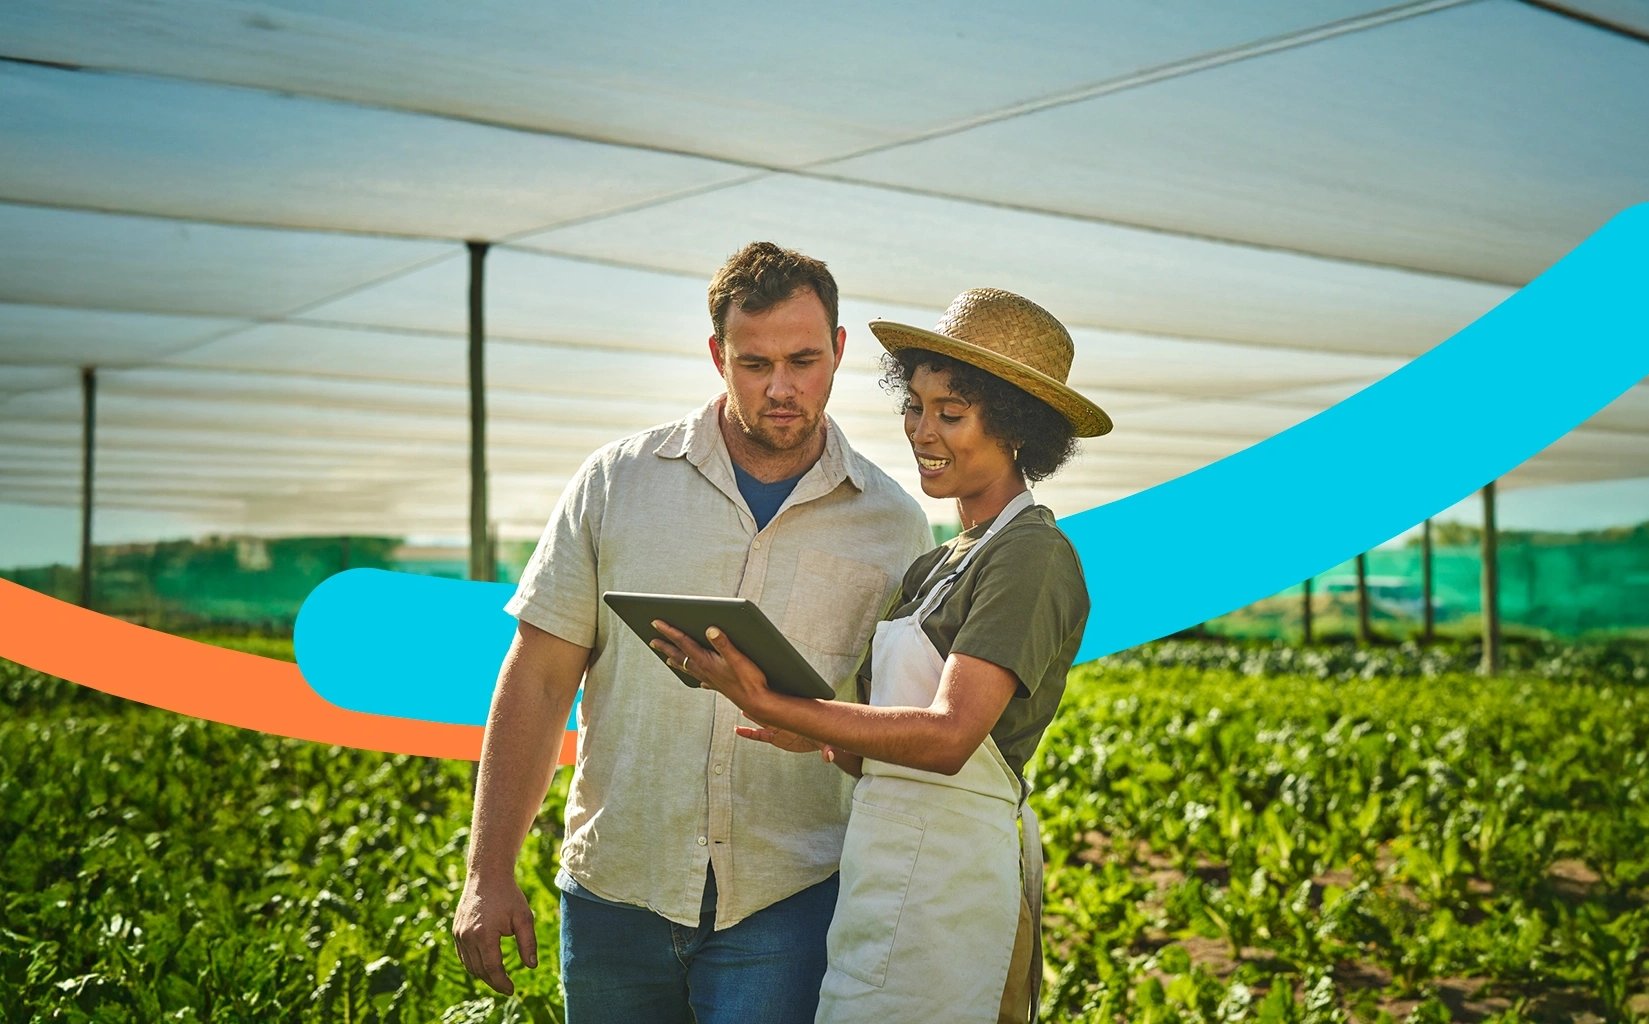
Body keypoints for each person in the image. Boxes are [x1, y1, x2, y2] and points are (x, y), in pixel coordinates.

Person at [451, 242, 931, 1024]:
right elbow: (538, 679)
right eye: (753, 363)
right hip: (618, 890)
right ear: (717, 355)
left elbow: (895, 720)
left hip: (788, 900)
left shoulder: (890, 524)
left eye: (804, 360)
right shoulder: (618, 482)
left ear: (839, 350)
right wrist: (487, 871)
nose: (781, 387)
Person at [652, 287, 1109, 1024]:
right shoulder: (938, 565)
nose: (921, 431)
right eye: (915, 405)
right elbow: (882, 749)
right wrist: (819, 738)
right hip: (883, 874)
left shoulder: (1032, 554)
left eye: (950, 414)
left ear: (1019, 430)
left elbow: (952, 736)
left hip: (950, 887)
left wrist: (777, 703)